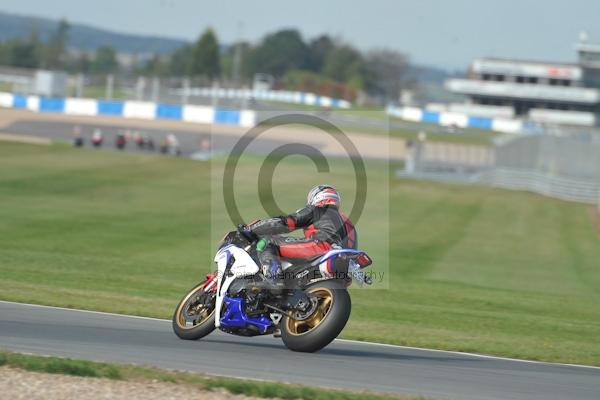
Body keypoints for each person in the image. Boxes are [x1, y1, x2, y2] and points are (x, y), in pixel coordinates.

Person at [246, 185, 356, 289]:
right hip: (340, 256)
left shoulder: (316, 210)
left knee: (268, 242)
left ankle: (273, 280)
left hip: (319, 246)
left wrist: (253, 228)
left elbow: (286, 223)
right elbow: (353, 245)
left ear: (317, 196)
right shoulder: (346, 222)